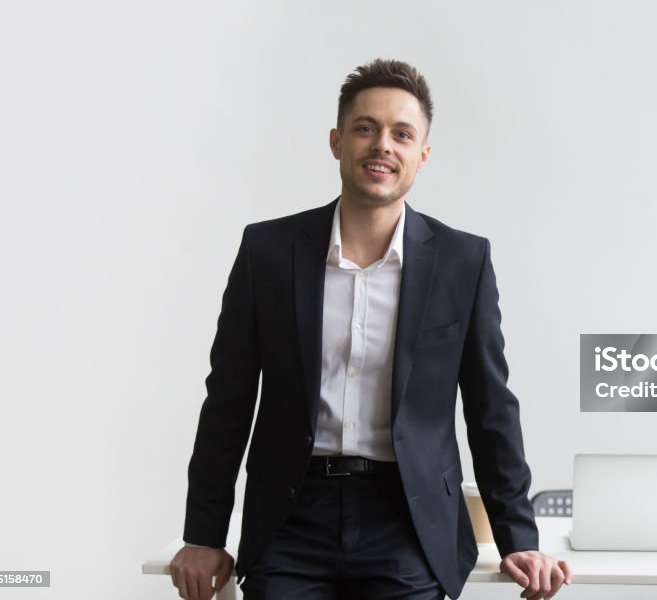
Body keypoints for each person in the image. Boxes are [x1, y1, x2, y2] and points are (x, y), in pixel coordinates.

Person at [169, 59, 572, 600]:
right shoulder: (268, 252)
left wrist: (517, 537)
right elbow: (229, 400)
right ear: (337, 142)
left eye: (402, 134)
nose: (383, 145)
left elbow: (490, 407)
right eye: (366, 128)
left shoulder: (462, 261)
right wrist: (203, 534)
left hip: (407, 521)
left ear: (421, 155)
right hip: (291, 517)